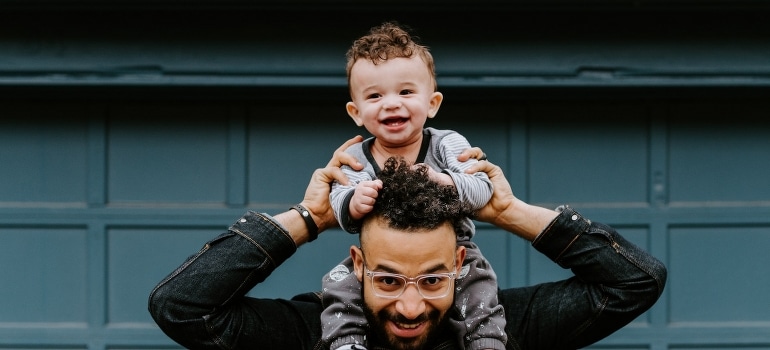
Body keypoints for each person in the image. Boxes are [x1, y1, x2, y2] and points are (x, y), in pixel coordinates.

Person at [147, 135, 668, 350]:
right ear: (357, 264)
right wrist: (310, 218)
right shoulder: (312, 332)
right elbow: (181, 307)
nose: (411, 306)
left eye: (434, 278)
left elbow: (635, 281)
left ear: (461, 261)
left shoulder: (501, 328)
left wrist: (509, 212)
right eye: (389, 279)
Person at [324, 21, 504, 350]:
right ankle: (347, 343)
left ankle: (487, 344)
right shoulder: (355, 155)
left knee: (481, 298)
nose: (392, 103)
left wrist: (444, 180)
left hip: (452, 251)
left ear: (432, 103)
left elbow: (482, 190)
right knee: (340, 289)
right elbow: (337, 201)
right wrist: (353, 200)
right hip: (380, 259)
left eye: (406, 92)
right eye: (375, 96)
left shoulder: (447, 144)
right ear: (356, 112)